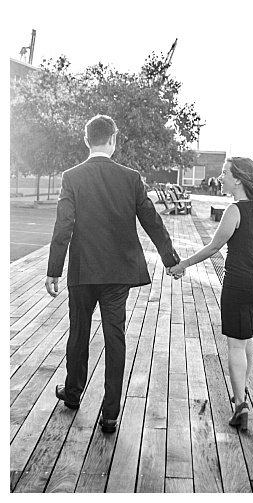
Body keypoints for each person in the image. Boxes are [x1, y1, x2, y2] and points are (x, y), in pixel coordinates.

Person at [47, 114, 182, 434]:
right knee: (115, 336)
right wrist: (170, 259)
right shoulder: (131, 178)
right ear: (113, 139)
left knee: (79, 332)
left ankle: (73, 393)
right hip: (118, 271)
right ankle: (110, 413)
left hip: (83, 270)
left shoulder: (72, 177)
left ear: (86, 140)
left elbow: (64, 225)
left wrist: (54, 270)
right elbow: (151, 220)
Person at [168, 157, 253, 431]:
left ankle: (240, 406)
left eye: (225, 173)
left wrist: (183, 264)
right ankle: (241, 391)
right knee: (247, 339)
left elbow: (213, 248)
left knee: (235, 344)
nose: (221, 178)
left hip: (239, 283)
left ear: (238, 179)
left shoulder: (234, 210)